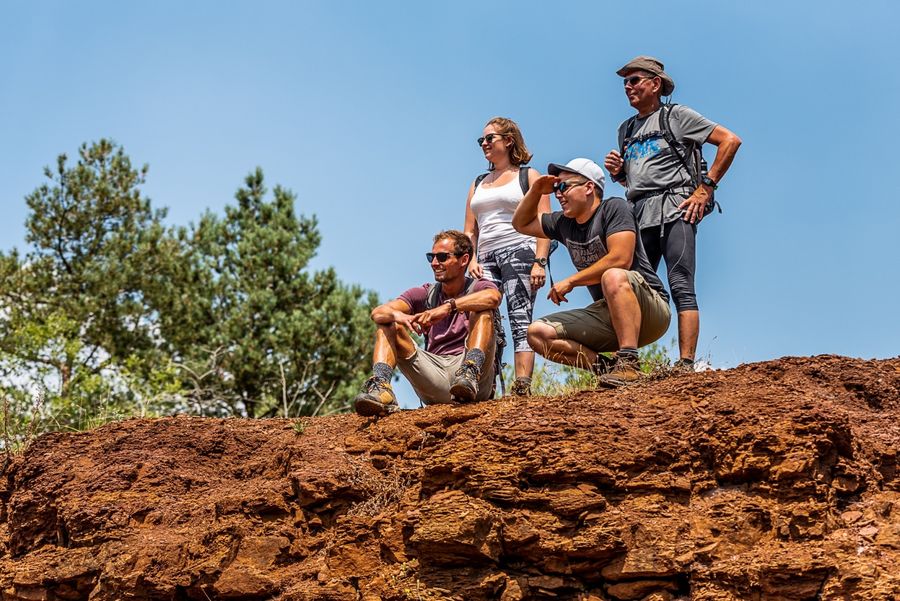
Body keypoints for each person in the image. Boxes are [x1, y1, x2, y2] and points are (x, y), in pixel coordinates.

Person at [604, 56, 742, 370]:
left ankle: (685, 363)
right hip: (638, 213)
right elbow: (639, 178)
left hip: (675, 209)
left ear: (656, 84)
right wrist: (619, 173)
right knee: (633, 285)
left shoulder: (676, 116)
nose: (627, 87)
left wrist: (705, 189)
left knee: (680, 283)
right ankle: (627, 362)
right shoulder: (626, 129)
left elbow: (730, 141)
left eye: (634, 80)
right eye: (625, 82)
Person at [511, 158, 671, 387]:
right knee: (537, 333)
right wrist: (536, 190)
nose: (558, 194)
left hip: (650, 310)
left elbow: (621, 258)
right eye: (556, 188)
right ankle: (608, 370)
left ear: (588, 187)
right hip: (609, 316)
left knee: (613, 274)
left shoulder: (614, 208)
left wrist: (572, 281)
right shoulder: (563, 223)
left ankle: (629, 363)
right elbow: (520, 223)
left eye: (564, 186)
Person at [353, 230, 502, 416]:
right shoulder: (425, 293)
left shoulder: (478, 287)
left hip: (474, 381)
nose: (434, 263)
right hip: (434, 375)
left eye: (442, 257)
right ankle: (380, 387)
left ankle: (470, 371)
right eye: (431, 257)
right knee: (388, 323)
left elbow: (493, 297)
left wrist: (448, 307)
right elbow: (378, 313)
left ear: (464, 260)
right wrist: (403, 317)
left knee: (483, 310)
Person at [463, 117, 552, 396]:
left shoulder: (529, 176)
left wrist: (540, 262)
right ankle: (481, 382)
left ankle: (522, 385)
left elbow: (544, 223)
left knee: (519, 316)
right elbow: (470, 230)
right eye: (481, 140)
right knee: (480, 312)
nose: (484, 144)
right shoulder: (478, 182)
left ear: (509, 140)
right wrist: (471, 259)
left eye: (490, 138)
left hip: (520, 250)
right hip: (485, 257)